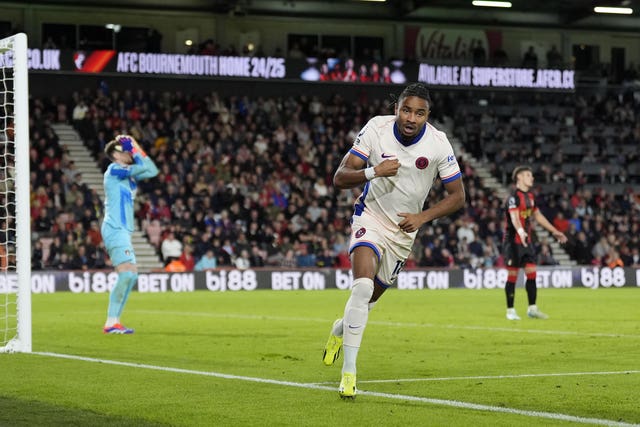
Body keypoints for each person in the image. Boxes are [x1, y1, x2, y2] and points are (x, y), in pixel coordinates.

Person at [322, 83, 465, 399]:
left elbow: (458, 197)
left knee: (368, 302)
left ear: (428, 115)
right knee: (360, 288)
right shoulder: (376, 128)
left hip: (404, 232)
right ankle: (349, 374)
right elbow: (340, 177)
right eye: (406, 109)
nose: (411, 117)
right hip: (370, 218)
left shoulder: (439, 144)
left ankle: (339, 329)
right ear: (396, 108)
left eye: (419, 112)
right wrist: (374, 171)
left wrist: (422, 218)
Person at [101, 135, 158, 334]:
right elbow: (144, 167)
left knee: (132, 276)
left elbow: (152, 169)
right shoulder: (114, 170)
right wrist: (134, 149)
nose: (128, 153)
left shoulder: (127, 174)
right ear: (116, 154)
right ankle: (110, 322)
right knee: (126, 274)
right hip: (114, 228)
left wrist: (134, 145)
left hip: (124, 230)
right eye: (124, 150)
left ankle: (115, 321)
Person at [503, 165, 567, 321]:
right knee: (513, 276)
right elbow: (515, 218)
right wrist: (520, 231)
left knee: (532, 273)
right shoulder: (513, 197)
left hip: (527, 242)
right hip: (513, 242)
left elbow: (538, 216)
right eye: (528, 175)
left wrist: (554, 231)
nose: (531, 178)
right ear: (519, 177)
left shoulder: (530, 197)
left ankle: (532, 308)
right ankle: (510, 310)